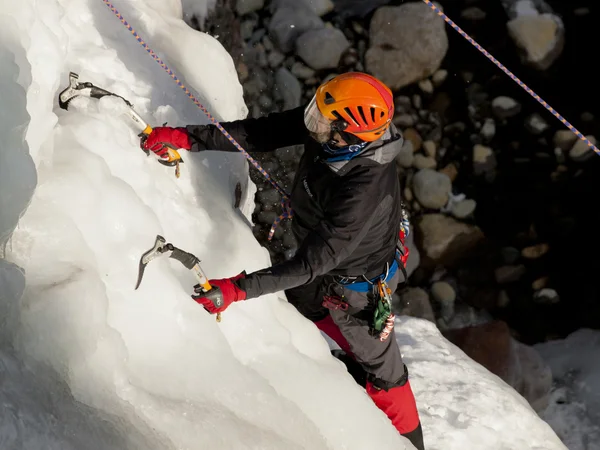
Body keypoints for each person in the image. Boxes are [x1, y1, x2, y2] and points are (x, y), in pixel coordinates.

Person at [142, 72, 425, 449]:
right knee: (302, 310)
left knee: (386, 374)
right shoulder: (335, 131)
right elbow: (261, 133)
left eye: (325, 123)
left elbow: (310, 264)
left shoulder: (363, 192)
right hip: (322, 261)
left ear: (353, 135)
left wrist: (236, 290)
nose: (314, 125)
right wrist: (185, 137)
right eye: (317, 114)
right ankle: (339, 364)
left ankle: (410, 443)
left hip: (354, 291)